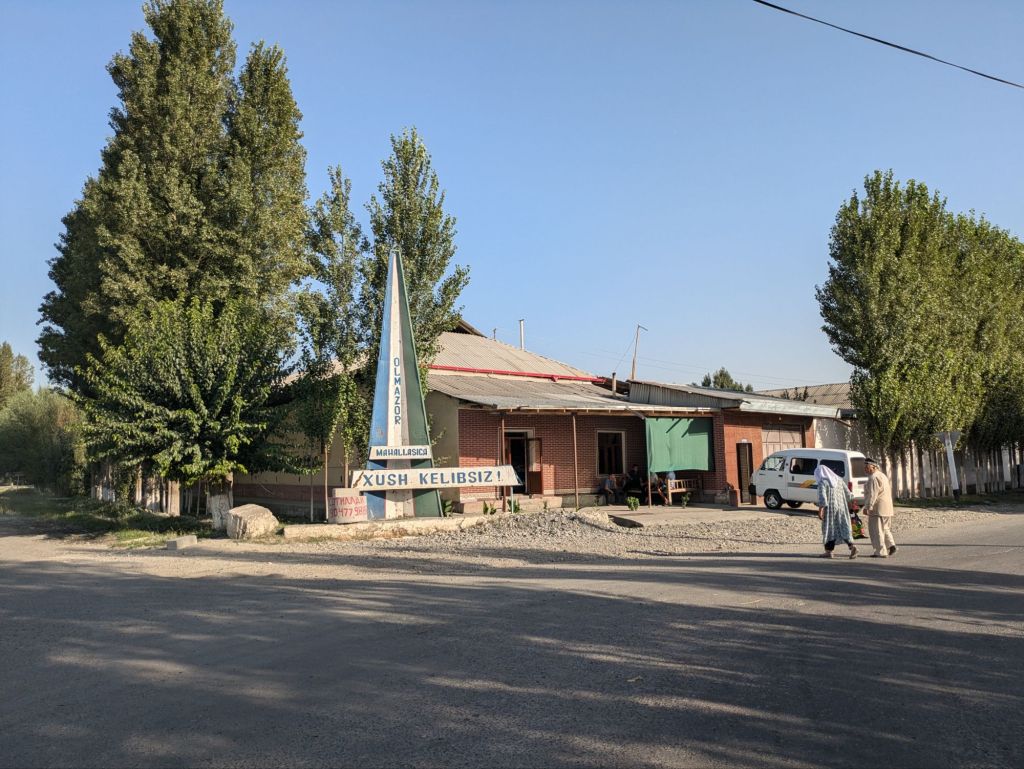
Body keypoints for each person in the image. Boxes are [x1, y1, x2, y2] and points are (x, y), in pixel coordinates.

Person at [815, 464, 857, 559]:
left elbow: (823, 498)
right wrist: (851, 504)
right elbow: (849, 494)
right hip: (841, 508)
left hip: (830, 509)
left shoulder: (823, 482)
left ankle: (829, 552)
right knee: (843, 527)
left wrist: (820, 510)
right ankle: (852, 547)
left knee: (829, 529)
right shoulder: (839, 480)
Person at [862, 457, 896, 557]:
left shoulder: (873, 477)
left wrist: (868, 507)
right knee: (885, 528)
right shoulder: (882, 475)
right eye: (865, 467)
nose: (865, 469)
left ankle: (880, 552)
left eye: (867, 467)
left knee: (877, 531)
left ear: (873, 467)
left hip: (877, 508)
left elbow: (873, 494)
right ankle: (891, 545)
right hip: (887, 508)